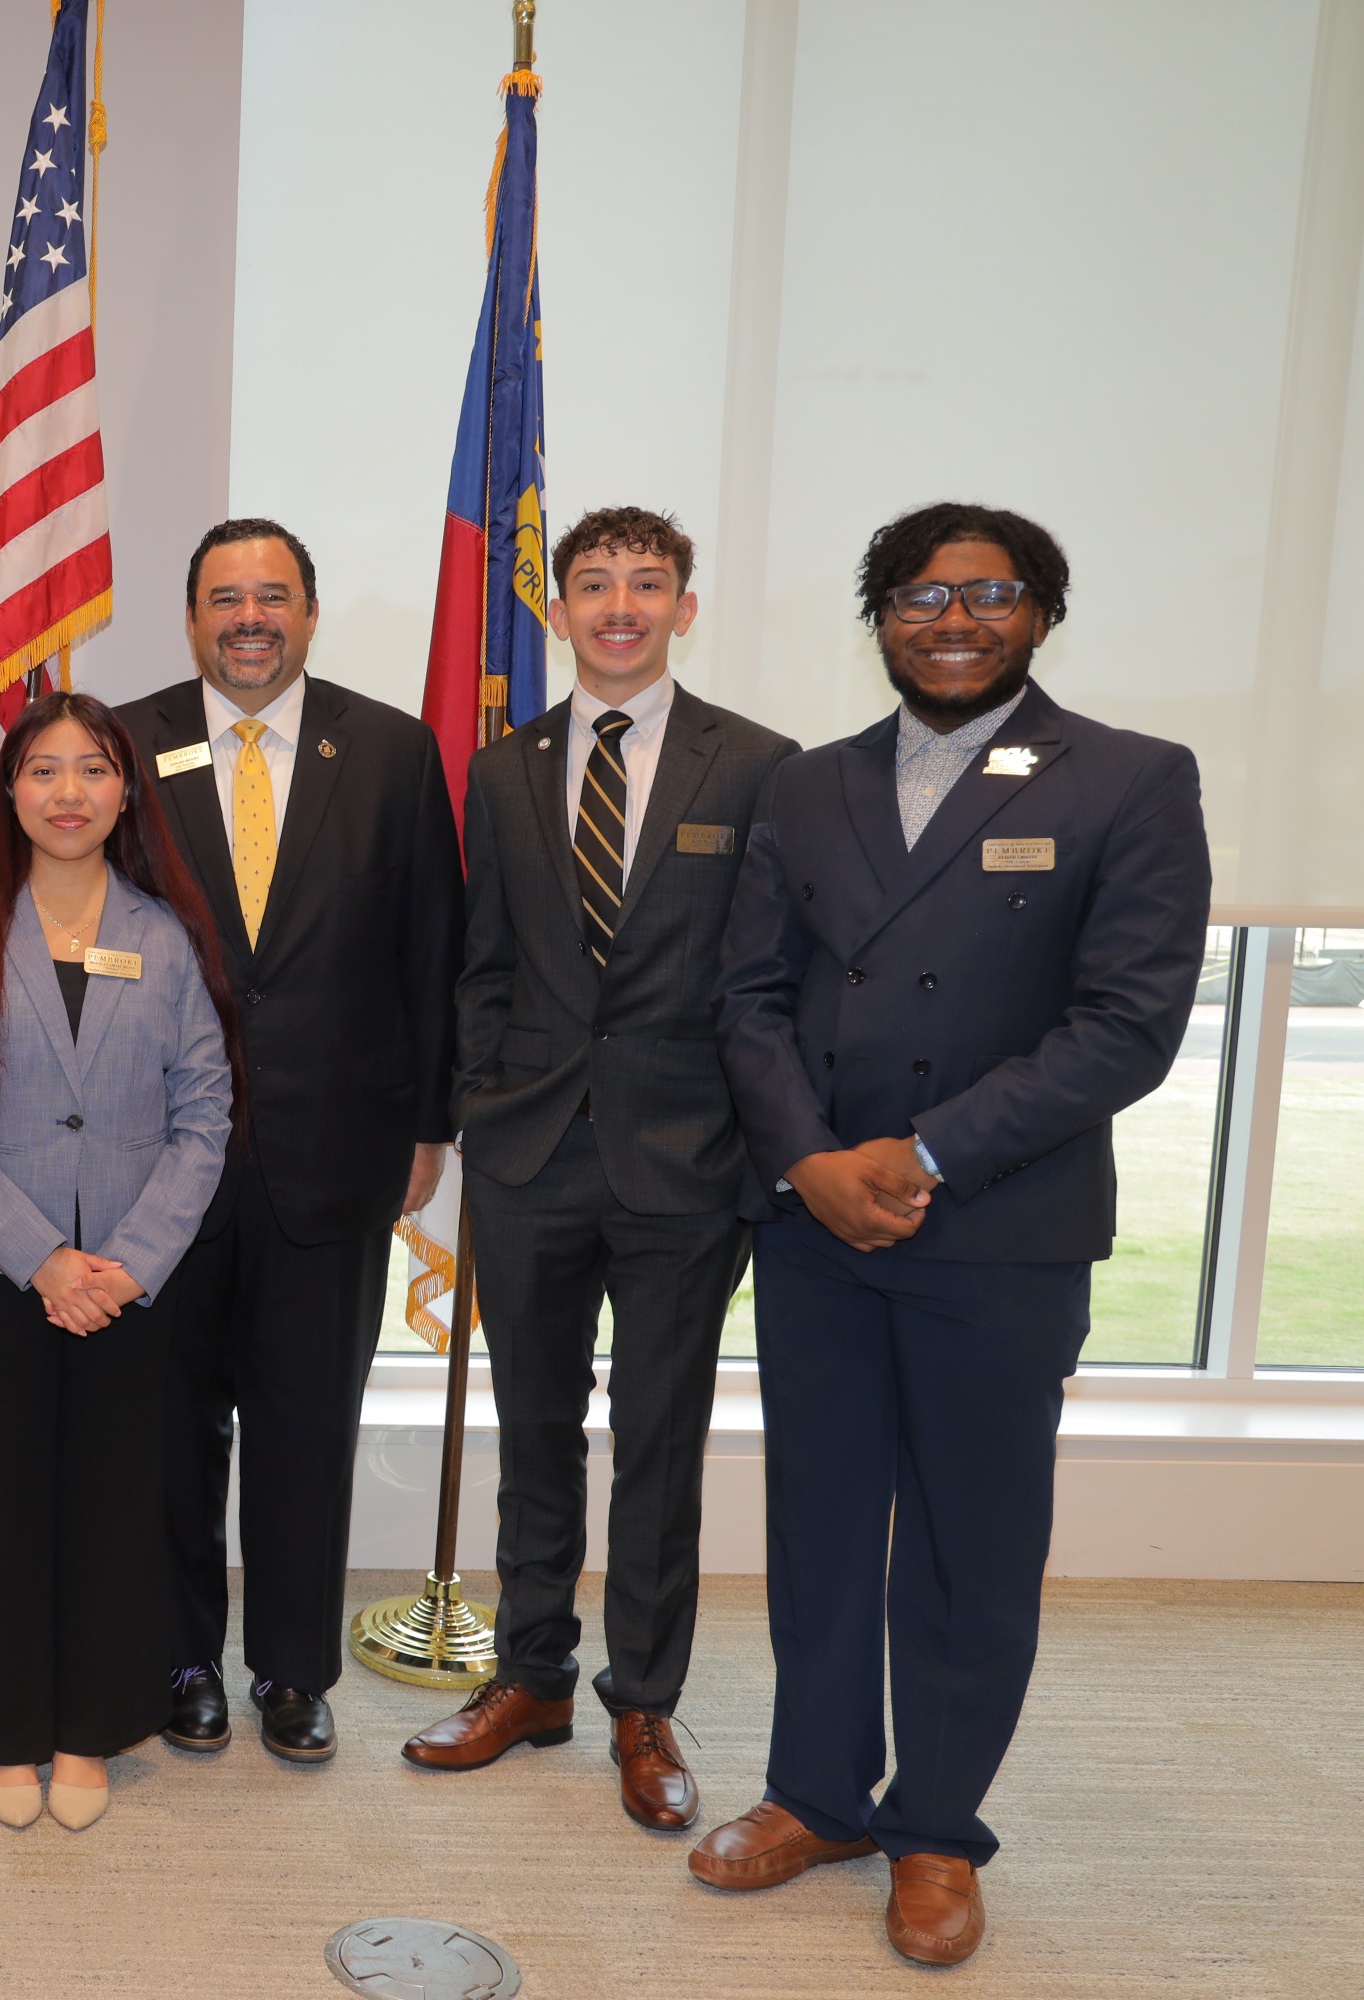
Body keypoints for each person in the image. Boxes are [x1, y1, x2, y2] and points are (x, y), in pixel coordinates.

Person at [700, 503, 1209, 1966]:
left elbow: (1126, 1028)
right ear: (880, 617)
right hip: (816, 1231)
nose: (953, 618)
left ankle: (935, 1830)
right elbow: (748, 998)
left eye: (989, 593)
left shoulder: (1127, 778)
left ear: (1042, 613)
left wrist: (915, 1158)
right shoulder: (809, 785)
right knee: (818, 1528)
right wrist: (809, 1161)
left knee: (969, 1547)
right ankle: (818, 1796)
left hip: (994, 1228)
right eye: (921, 594)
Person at [397, 508, 796, 1831]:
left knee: (660, 1441)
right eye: (593, 584)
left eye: (646, 583)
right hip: (530, 1153)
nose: (618, 604)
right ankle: (530, 1679)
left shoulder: (760, 768)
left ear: (685, 606)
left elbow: (770, 980)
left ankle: (642, 1703)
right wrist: (475, 1105)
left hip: (689, 1160)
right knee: (537, 1434)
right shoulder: (503, 769)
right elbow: (487, 963)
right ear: (558, 609)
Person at [110, 519, 460, 1762]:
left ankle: (294, 1670)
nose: (248, 617)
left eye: (272, 596)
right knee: (168, 1424)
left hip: (338, 1149)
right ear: (190, 614)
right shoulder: (123, 742)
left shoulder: (391, 748)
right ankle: (182, 1654)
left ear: (310, 613)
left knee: (309, 1423)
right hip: (160, 1157)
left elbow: (432, 943)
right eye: (223, 597)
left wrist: (432, 1122)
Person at [0, 690, 236, 1832]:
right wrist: (43, 1257)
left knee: (111, 1498)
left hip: (132, 1278)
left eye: (92, 770)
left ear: (126, 790)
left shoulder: (166, 933)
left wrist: (127, 1263)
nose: (69, 792)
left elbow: (206, 1115)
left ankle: (92, 1725)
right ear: (9, 791)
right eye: (43, 770)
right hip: (2, 1267)